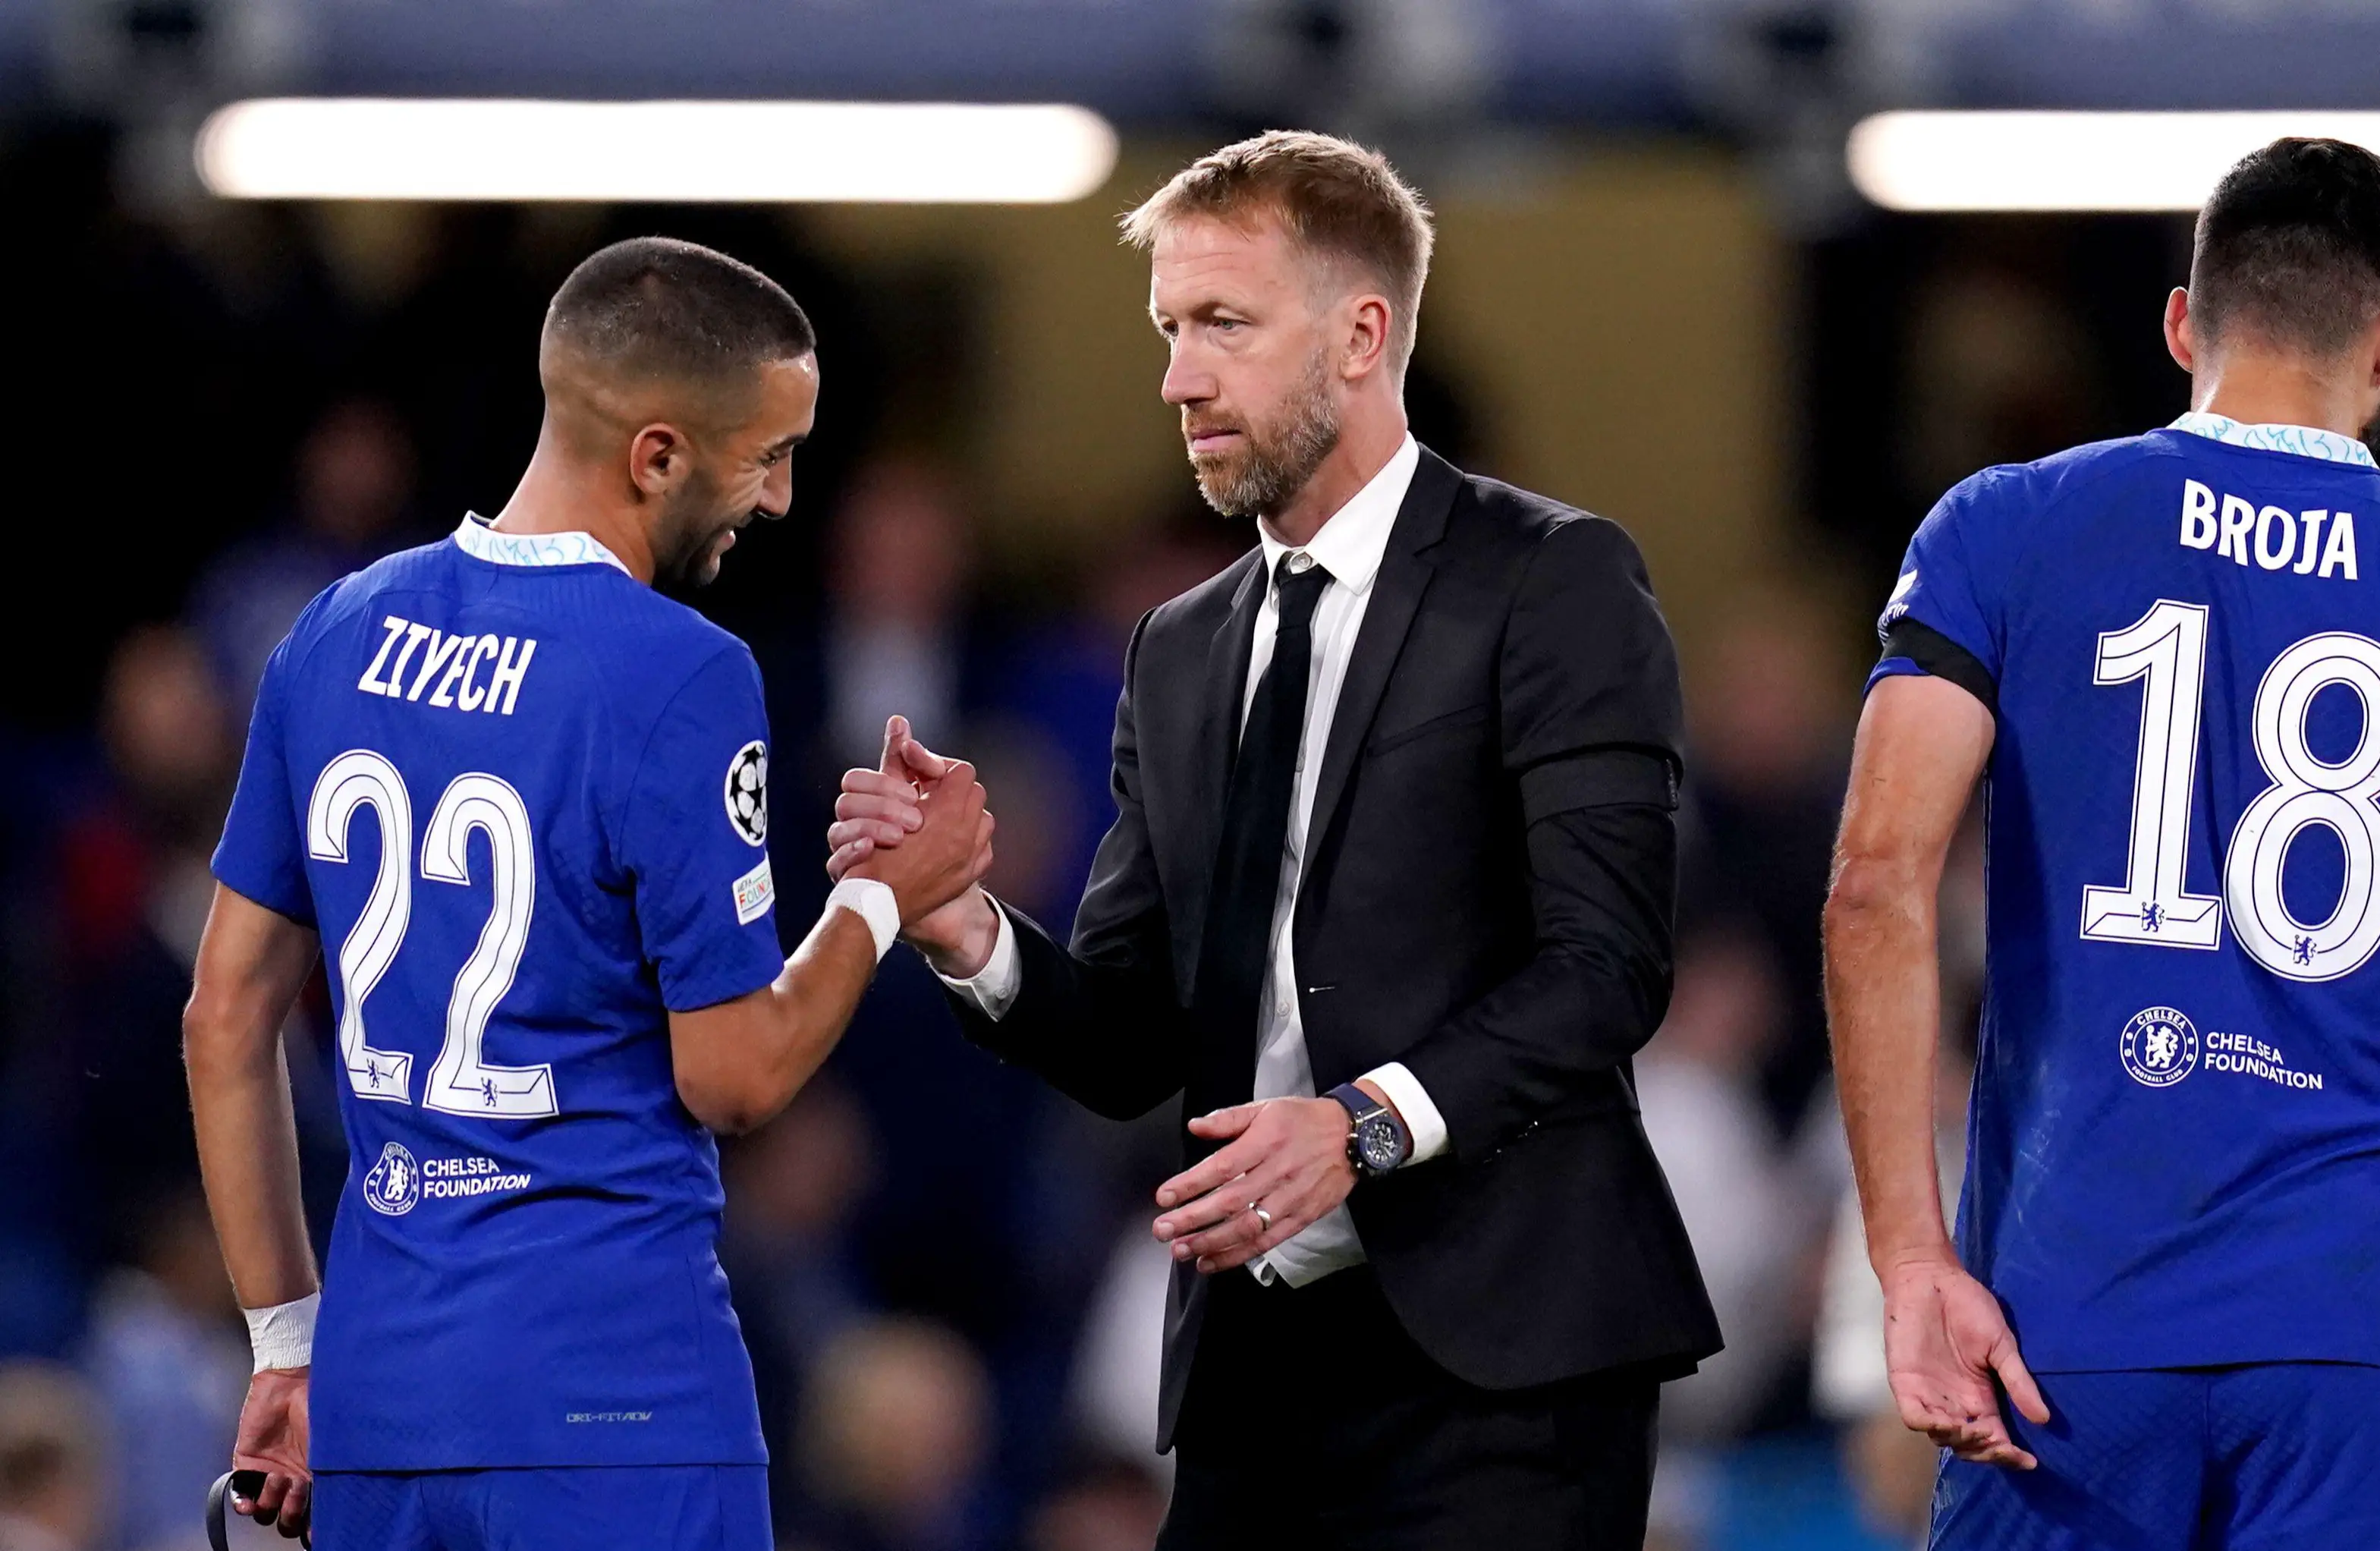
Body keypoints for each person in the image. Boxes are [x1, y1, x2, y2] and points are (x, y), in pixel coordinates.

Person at [829, 131, 1720, 1549]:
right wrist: (966, 927)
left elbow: (1606, 962)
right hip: (1254, 1374)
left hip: (1502, 1374)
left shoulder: (1550, 576)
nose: (1179, 377)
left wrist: (1362, 1125)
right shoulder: (1177, 650)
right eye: (1170, 330)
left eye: (1223, 325)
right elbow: (1130, 1034)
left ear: (1362, 333)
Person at [1823, 138, 2380, 1547]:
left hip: (2061, 1331)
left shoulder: (2002, 527)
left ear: (2179, 323)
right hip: (2349, 1336)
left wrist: (1911, 1262)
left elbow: (1871, 885)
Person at [184, 237, 995, 1548]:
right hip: (616, 1402)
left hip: (384, 1399)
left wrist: (287, 1343)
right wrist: (880, 896)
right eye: (766, 454)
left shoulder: (332, 631)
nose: (782, 497)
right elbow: (733, 1074)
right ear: (658, 454)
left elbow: (223, 1015)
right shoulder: (679, 672)